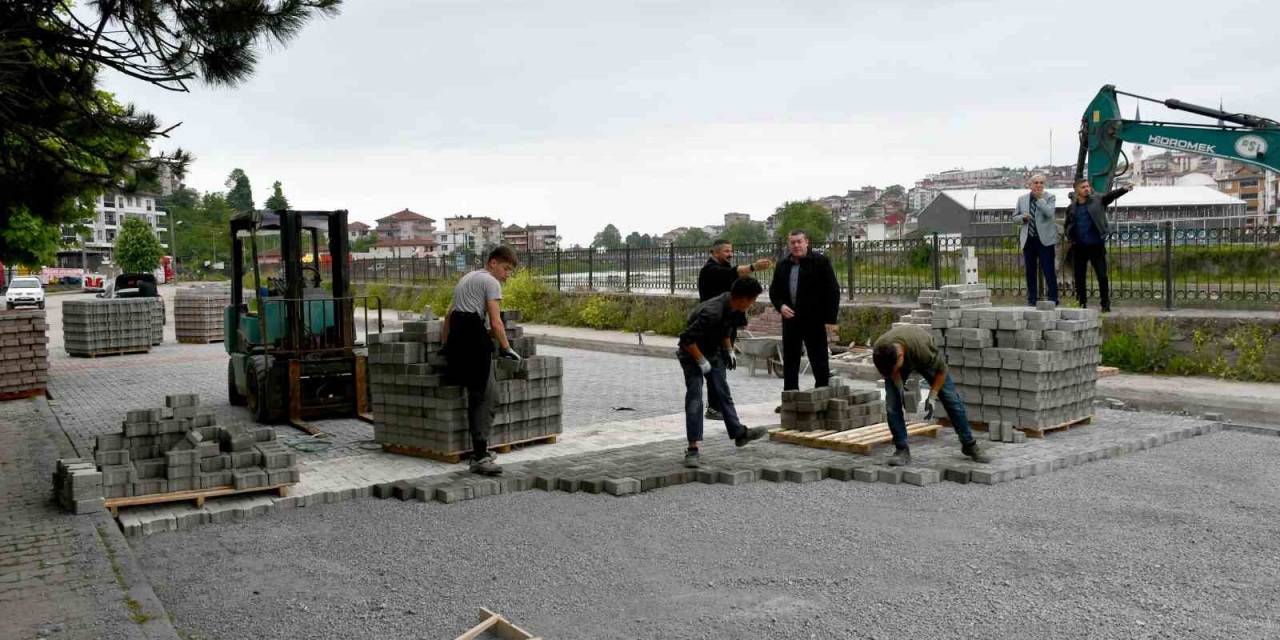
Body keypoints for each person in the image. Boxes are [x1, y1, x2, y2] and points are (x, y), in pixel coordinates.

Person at [441, 246, 522, 476]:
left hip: (458, 339)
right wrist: (507, 349)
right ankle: (480, 458)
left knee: (475, 396)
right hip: (474, 341)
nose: (507, 275)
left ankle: (479, 452)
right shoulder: (490, 282)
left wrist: (446, 346)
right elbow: (496, 322)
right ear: (493, 263)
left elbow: (448, 315)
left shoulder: (467, 278)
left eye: (510, 271)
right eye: (506, 269)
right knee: (486, 398)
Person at [677, 277, 770, 468]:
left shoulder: (735, 307)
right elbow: (686, 340)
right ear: (743, 299)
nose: (752, 304)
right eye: (752, 300)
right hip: (691, 353)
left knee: (723, 393)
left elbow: (725, 329)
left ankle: (739, 434)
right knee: (695, 397)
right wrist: (700, 360)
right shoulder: (711, 311)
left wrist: (729, 350)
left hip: (713, 351)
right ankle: (692, 448)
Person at [871, 324, 991, 466]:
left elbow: (942, 371)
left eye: (896, 368)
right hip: (897, 358)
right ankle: (901, 449)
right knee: (892, 404)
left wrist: (932, 395)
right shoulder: (880, 351)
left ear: (901, 356)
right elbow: (890, 373)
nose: (895, 372)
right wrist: (901, 389)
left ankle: (969, 445)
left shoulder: (923, 350)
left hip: (922, 354)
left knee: (951, 399)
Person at [697, 239, 772, 419]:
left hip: (726, 325)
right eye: (726, 251)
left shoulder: (724, 271)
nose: (730, 254)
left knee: (721, 365)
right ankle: (714, 407)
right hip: (714, 326)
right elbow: (733, 272)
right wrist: (754, 267)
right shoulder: (710, 271)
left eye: (731, 251)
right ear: (714, 253)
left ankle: (717, 405)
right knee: (716, 366)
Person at [768, 230, 840, 394]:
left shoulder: (820, 262)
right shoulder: (783, 265)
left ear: (807, 242)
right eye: (793, 242)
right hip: (790, 319)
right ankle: (790, 397)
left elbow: (833, 291)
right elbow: (774, 292)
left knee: (819, 359)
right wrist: (780, 306)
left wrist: (830, 319)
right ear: (789, 244)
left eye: (799, 241)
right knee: (791, 359)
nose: (796, 245)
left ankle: (822, 393)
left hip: (814, 319)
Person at [1064, 179, 1132, 312]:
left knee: (1102, 275)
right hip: (1079, 247)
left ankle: (1105, 304)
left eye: (1088, 186)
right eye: (1083, 187)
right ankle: (1081, 303)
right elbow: (1068, 224)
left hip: (1096, 245)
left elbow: (1110, 196)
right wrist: (1070, 237)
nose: (1087, 189)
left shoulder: (1098, 200)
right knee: (1079, 277)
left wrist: (1124, 189)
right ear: (1077, 190)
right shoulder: (1072, 208)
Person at [1013, 174, 1058, 306]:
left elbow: (1049, 213)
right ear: (1030, 185)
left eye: (1041, 183)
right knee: (1030, 272)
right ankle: (1032, 299)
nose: (1039, 185)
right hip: (1029, 240)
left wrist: (1039, 200)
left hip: (1045, 240)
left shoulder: (1050, 197)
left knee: (1049, 271)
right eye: (1036, 183)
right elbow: (1015, 217)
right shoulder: (1022, 199)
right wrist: (1023, 218)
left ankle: (1053, 299)